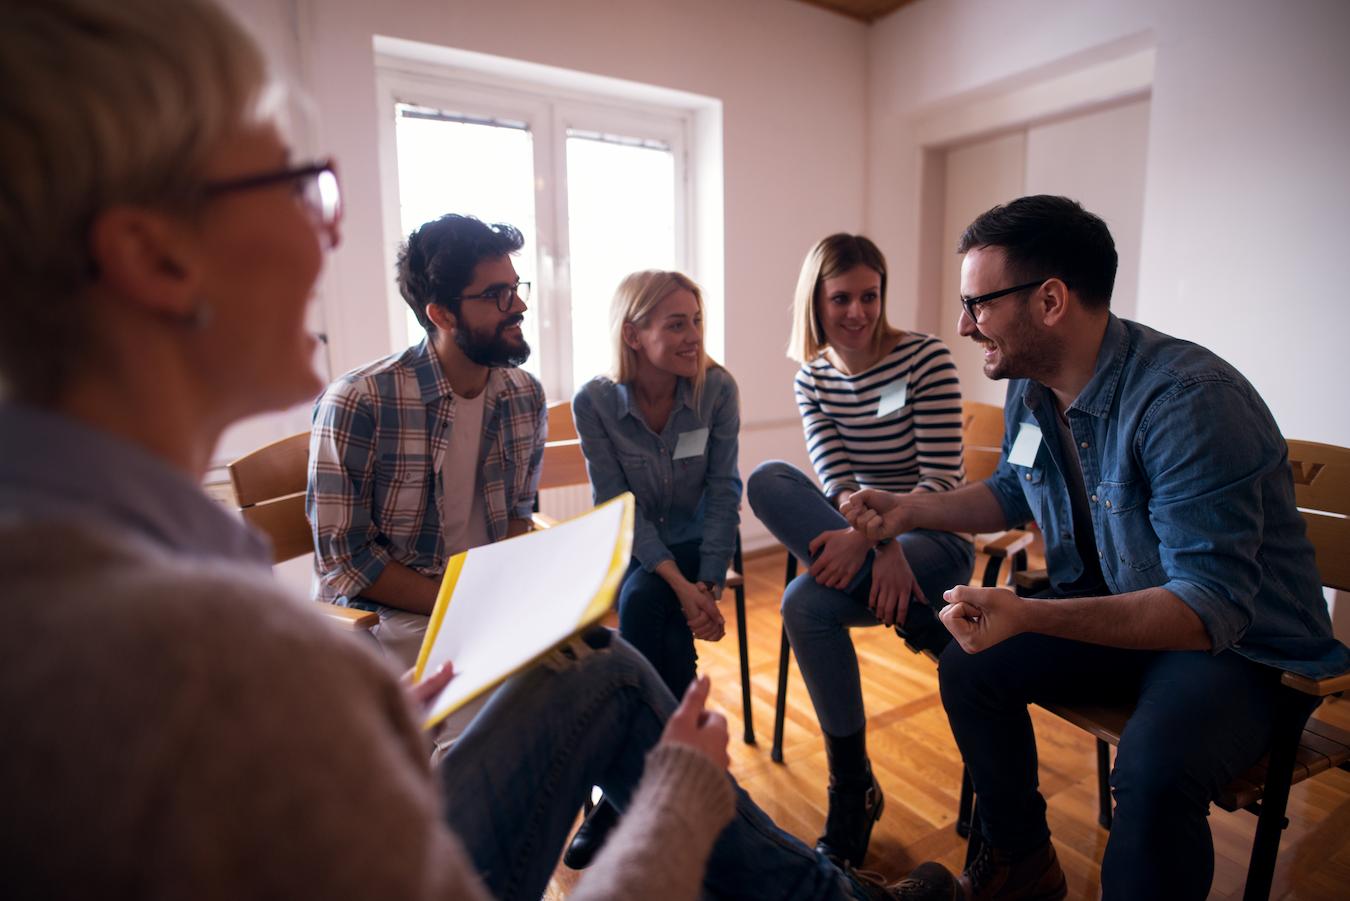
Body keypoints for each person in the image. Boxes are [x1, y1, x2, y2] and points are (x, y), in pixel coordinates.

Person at [0, 2, 962, 898]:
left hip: (465, 656)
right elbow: (352, 573)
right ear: (154, 256)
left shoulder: (514, 404)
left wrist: (512, 614)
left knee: (612, 663)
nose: (326, 229)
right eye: (298, 188)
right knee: (628, 664)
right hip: (424, 648)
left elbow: (521, 526)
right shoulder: (220, 635)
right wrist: (678, 795)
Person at [844, 195, 1349, 900]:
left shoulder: (1188, 401)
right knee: (969, 668)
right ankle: (1023, 865)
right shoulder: (1032, 387)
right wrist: (908, 509)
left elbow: (1206, 609)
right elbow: (1012, 493)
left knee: (1151, 769)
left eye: (978, 303)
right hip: (1131, 615)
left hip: (1242, 650)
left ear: (1050, 300)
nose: (963, 324)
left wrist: (1030, 612)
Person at [746, 234, 974, 867]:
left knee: (799, 601)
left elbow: (941, 484)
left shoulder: (926, 359)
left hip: (936, 540)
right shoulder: (813, 379)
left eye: (869, 296)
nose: (857, 312)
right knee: (768, 480)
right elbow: (836, 483)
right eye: (841, 298)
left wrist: (882, 536)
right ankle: (923, 634)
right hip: (875, 545)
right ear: (814, 303)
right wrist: (878, 547)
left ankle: (851, 792)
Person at [308, 213, 546, 670]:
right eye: (497, 295)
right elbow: (346, 560)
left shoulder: (524, 395)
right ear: (441, 314)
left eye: (516, 288)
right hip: (386, 617)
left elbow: (518, 514)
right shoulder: (360, 401)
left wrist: (515, 598)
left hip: (484, 606)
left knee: (606, 668)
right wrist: (463, 607)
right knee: (501, 709)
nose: (518, 306)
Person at [566, 270, 742, 867]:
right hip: (635, 547)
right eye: (676, 324)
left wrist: (710, 584)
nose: (693, 335)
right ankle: (680, 767)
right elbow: (616, 505)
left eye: (695, 320)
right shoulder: (593, 402)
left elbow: (723, 490)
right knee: (648, 600)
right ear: (633, 335)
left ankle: (627, 788)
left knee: (647, 607)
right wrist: (680, 588)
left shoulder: (717, 390)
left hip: (699, 543)